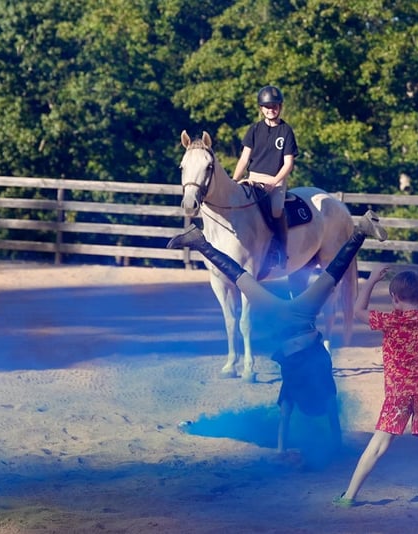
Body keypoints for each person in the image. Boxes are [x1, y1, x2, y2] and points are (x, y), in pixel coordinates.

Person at [167, 210, 387, 454]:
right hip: (292, 316)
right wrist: (293, 451)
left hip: (298, 315)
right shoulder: (309, 392)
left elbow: (305, 422)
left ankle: (199, 241)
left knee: (326, 274)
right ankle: (200, 242)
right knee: (241, 276)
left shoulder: (310, 391)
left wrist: (286, 452)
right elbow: (305, 421)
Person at [333, 266, 418, 523]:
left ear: (394, 298)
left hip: (397, 394)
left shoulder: (389, 321)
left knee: (378, 444)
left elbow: (358, 310)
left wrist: (371, 280)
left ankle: (349, 495)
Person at [231, 85, 298, 268]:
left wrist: (275, 182)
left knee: (276, 210)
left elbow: (288, 164)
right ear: (261, 108)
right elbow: (244, 159)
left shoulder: (286, 131)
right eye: (267, 106)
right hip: (252, 179)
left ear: (280, 107)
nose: (271, 109)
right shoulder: (254, 129)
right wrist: (234, 181)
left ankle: (281, 251)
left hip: (275, 181)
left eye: (274, 106)